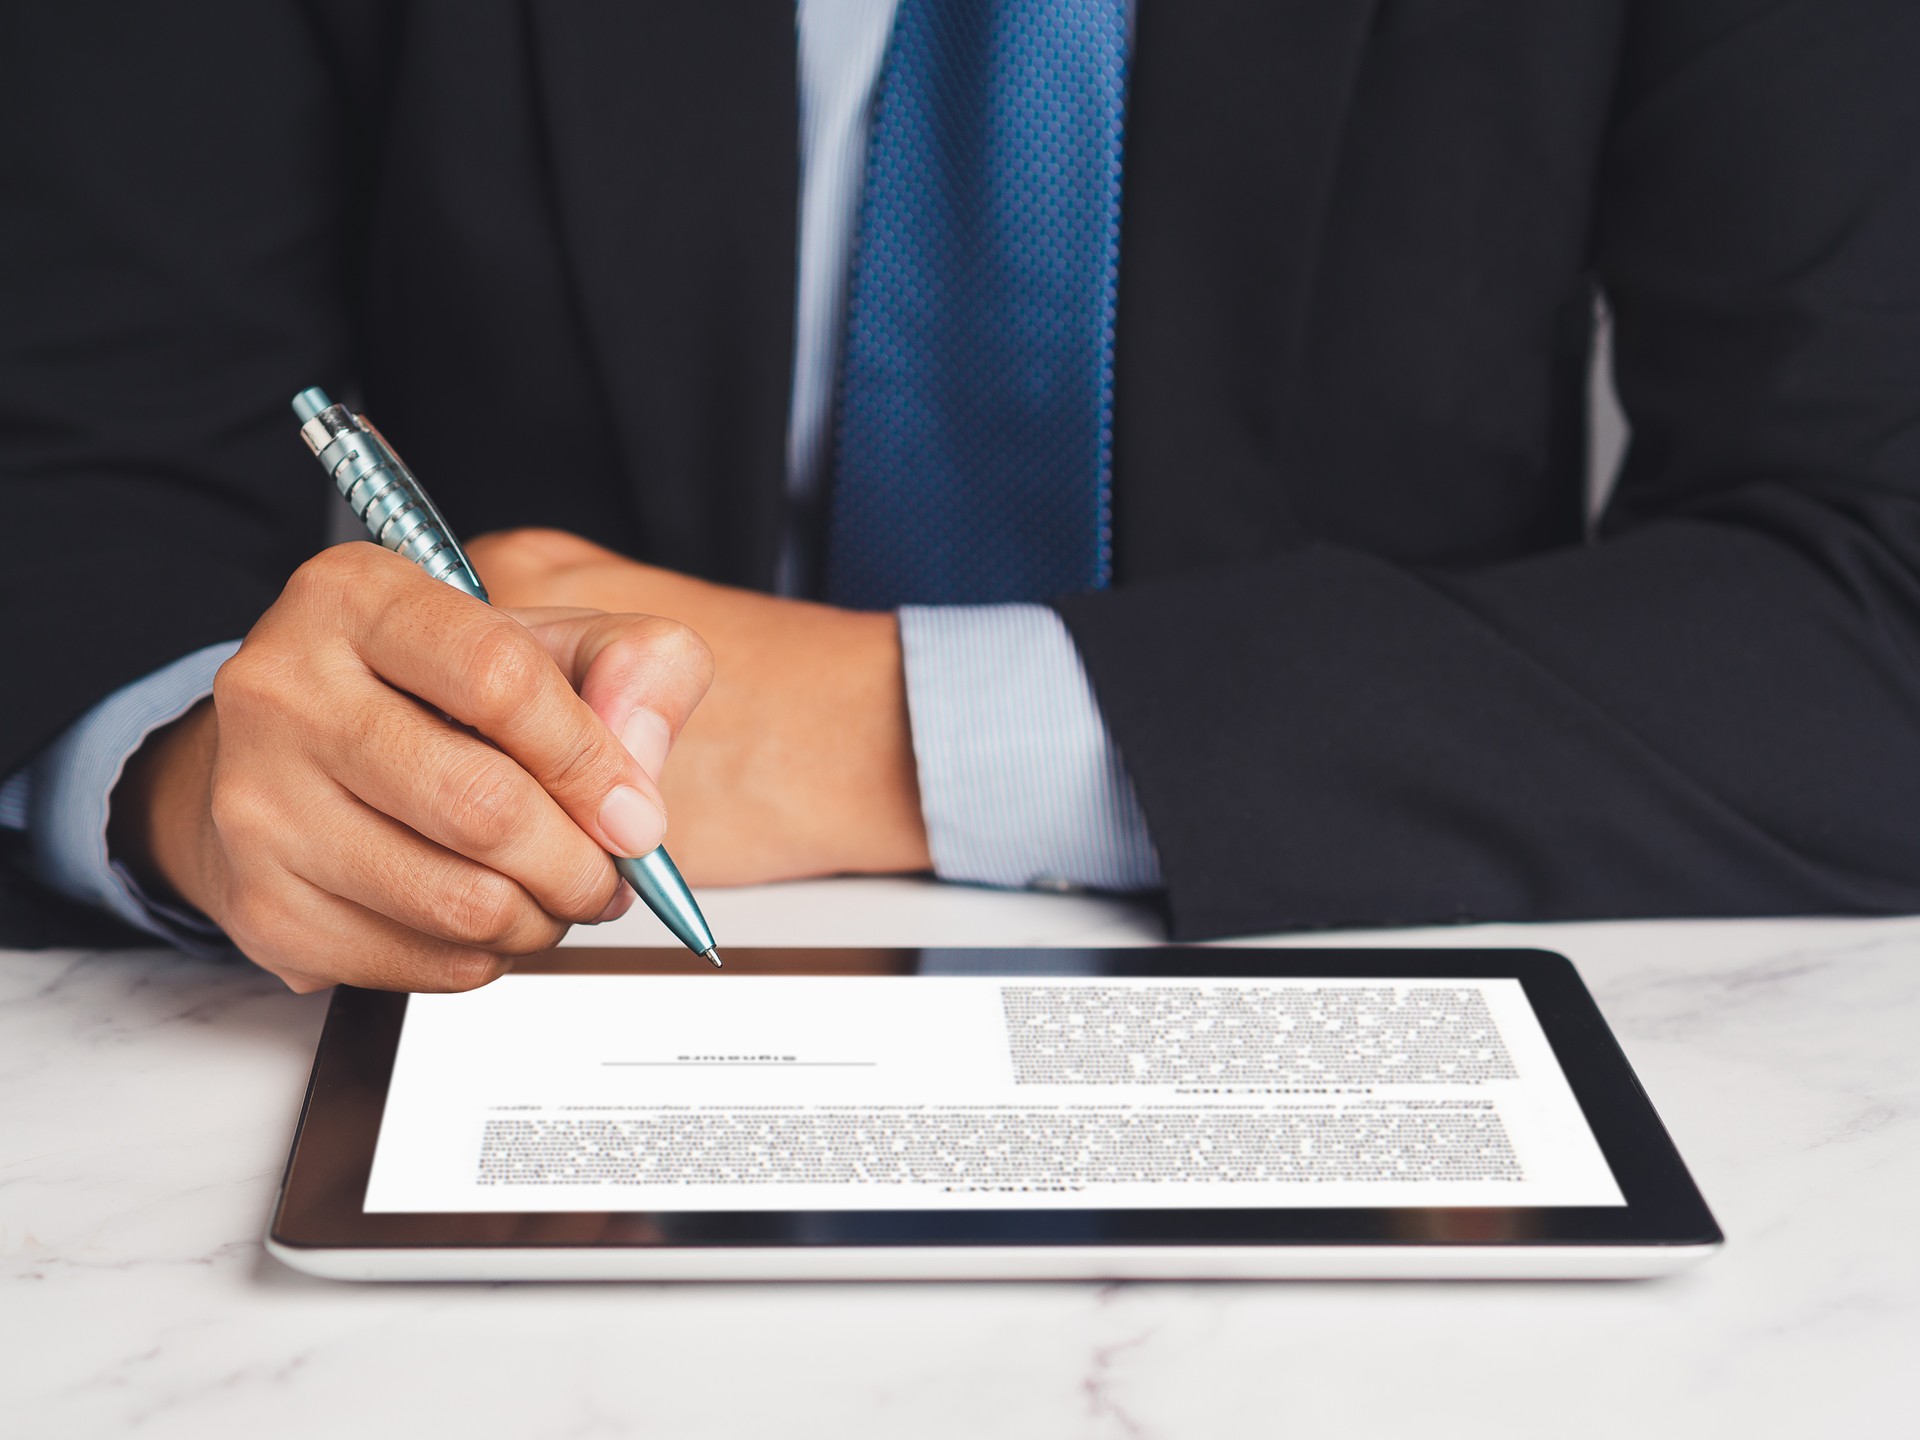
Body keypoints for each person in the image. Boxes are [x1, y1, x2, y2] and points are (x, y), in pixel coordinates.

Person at [4, 1, 1919, 992]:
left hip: (1380, 1021)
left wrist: (876, 724)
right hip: (498, 1044)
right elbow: (83, 460)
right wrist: (190, 779)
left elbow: (1874, 585)